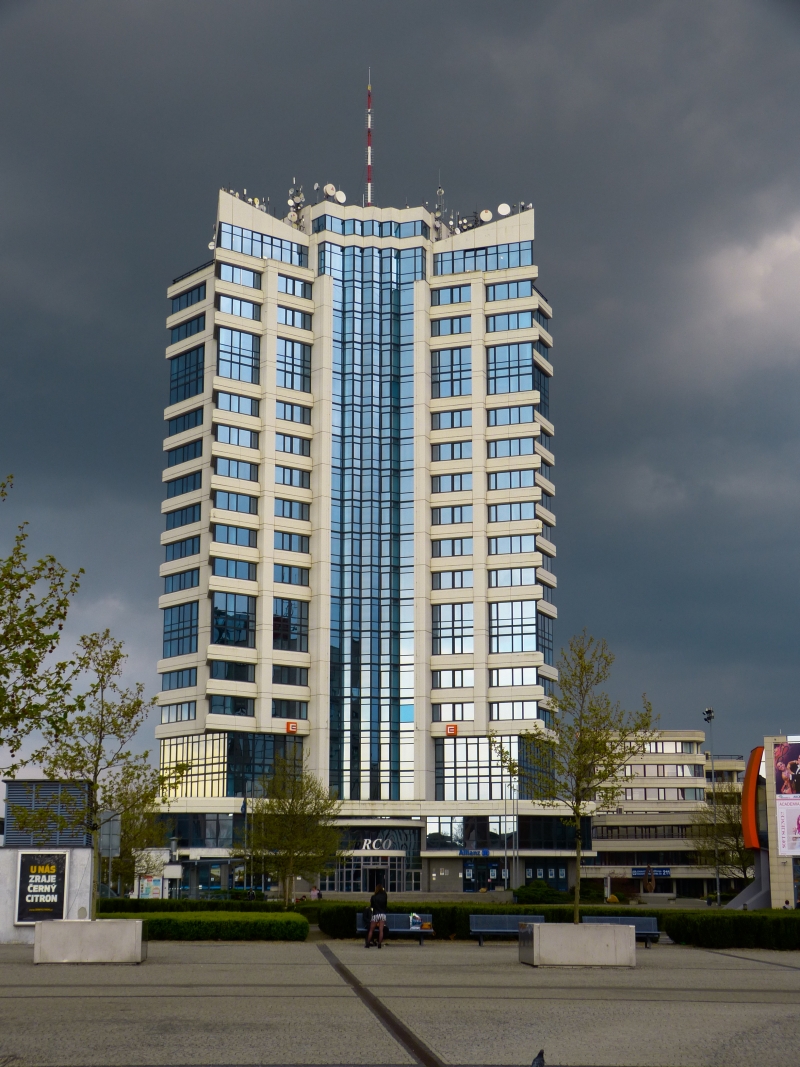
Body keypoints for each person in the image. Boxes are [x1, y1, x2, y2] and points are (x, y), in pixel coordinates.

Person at [365, 883, 388, 948]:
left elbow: (372, 906)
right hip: (382, 914)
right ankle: (379, 944)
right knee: (381, 930)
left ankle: (368, 943)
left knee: (371, 930)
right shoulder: (384, 896)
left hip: (376, 914)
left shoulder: (373, 897)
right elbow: (385, 905)